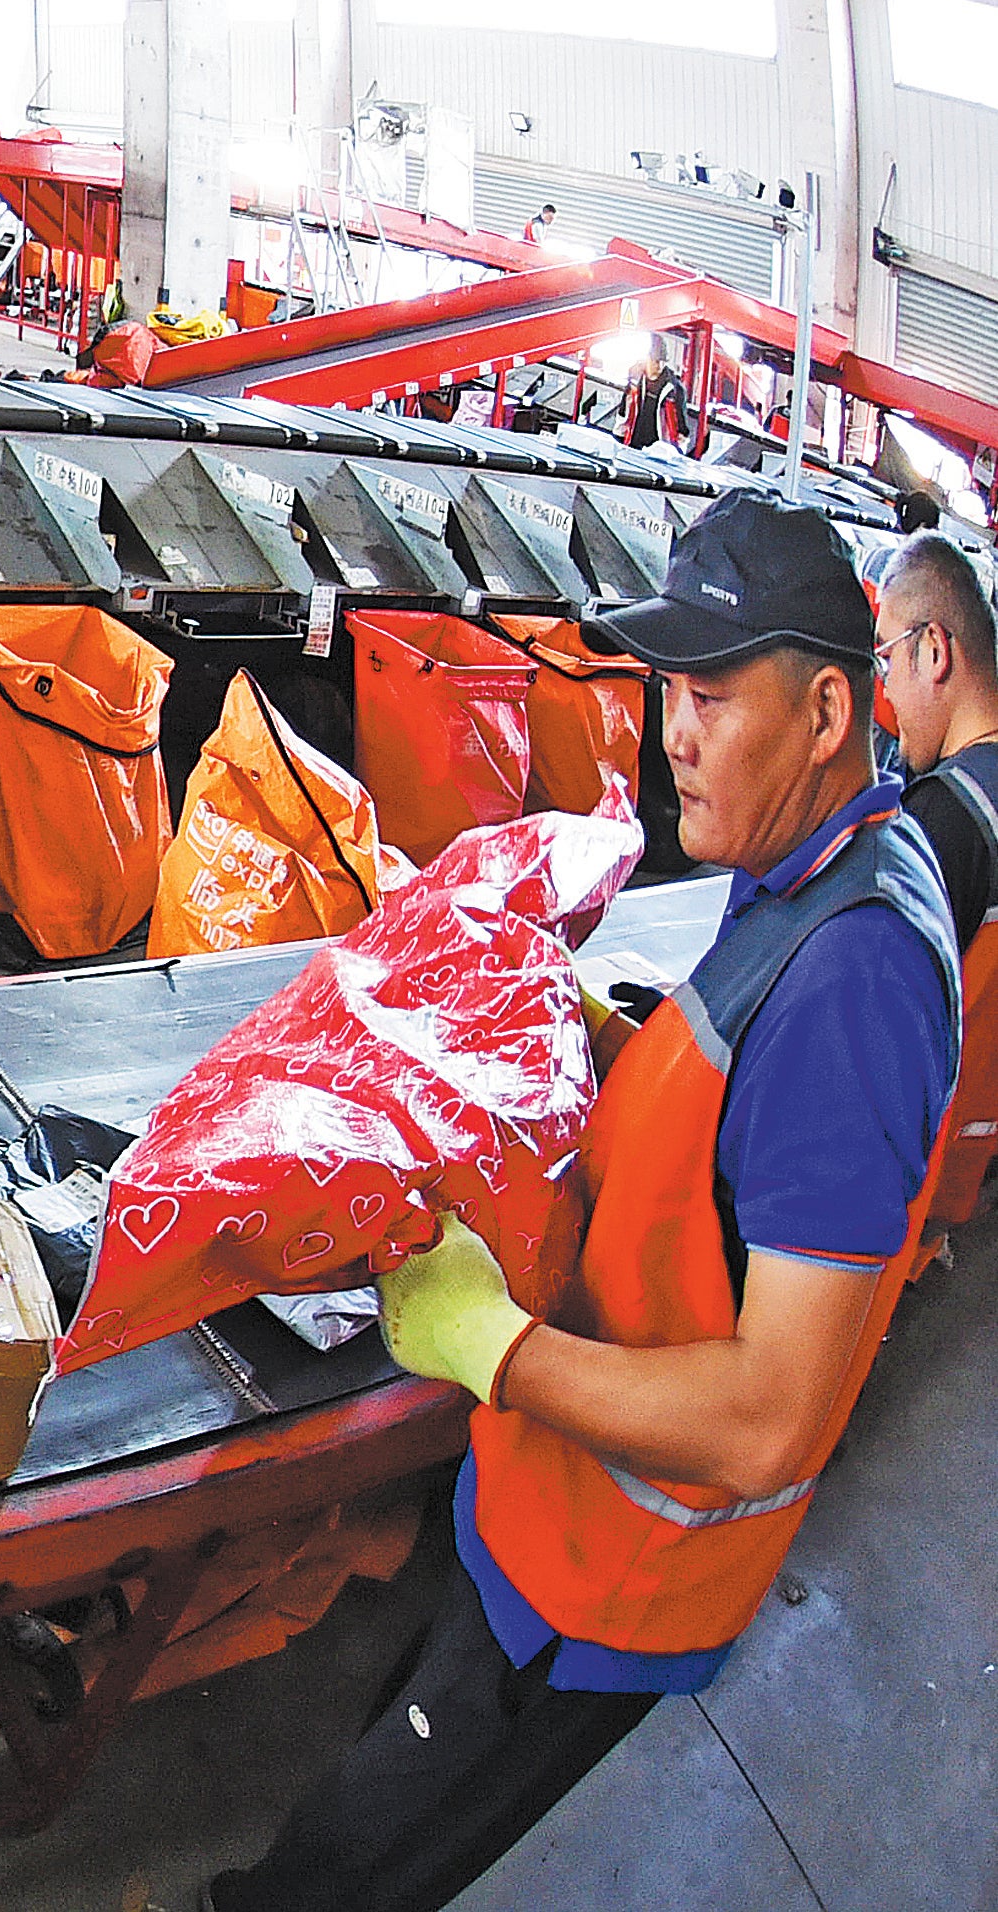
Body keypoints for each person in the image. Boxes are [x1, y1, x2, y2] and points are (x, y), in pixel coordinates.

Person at [210, 491, 958, 1912]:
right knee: (380, 1788)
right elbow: (739, 1147)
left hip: (608, 1588)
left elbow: (770, 1416)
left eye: (712, 694)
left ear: (821, 710)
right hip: (544, 1516)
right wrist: (587, 1041)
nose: (672, 729)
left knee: (364, 1864)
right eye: (668, 688)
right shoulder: (802, 868)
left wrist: (492, 1347)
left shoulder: (859, 984)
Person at [874, 533, 998, 1231]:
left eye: (888, 657)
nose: (886, 691)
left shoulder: (948, 818)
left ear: (935, 650)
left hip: (916, 1205)